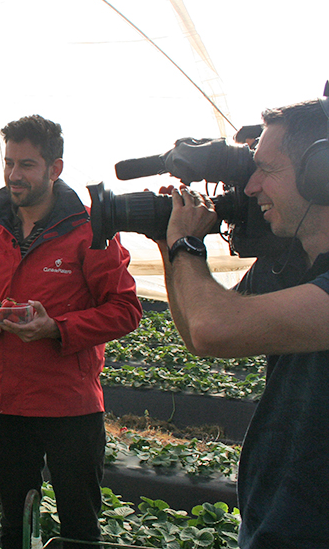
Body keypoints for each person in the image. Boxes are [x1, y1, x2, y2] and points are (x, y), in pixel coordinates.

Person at [154, 90, 329, 548]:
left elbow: (215, 327)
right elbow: (198, 332)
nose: (250, 188)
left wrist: (187, 247)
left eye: (267, 171)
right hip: (272, 520)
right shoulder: (288, 264)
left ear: (321, 173)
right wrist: (166, 244)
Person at [0, 115, 142, 548]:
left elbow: (125, 309)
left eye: (26, 165)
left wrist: (56, 329)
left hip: (70, 407)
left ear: (54, 169)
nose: (13, 175)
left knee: (80, 528)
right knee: (13, 524)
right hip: (6, 403)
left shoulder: (89, 230)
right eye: (9, 163)